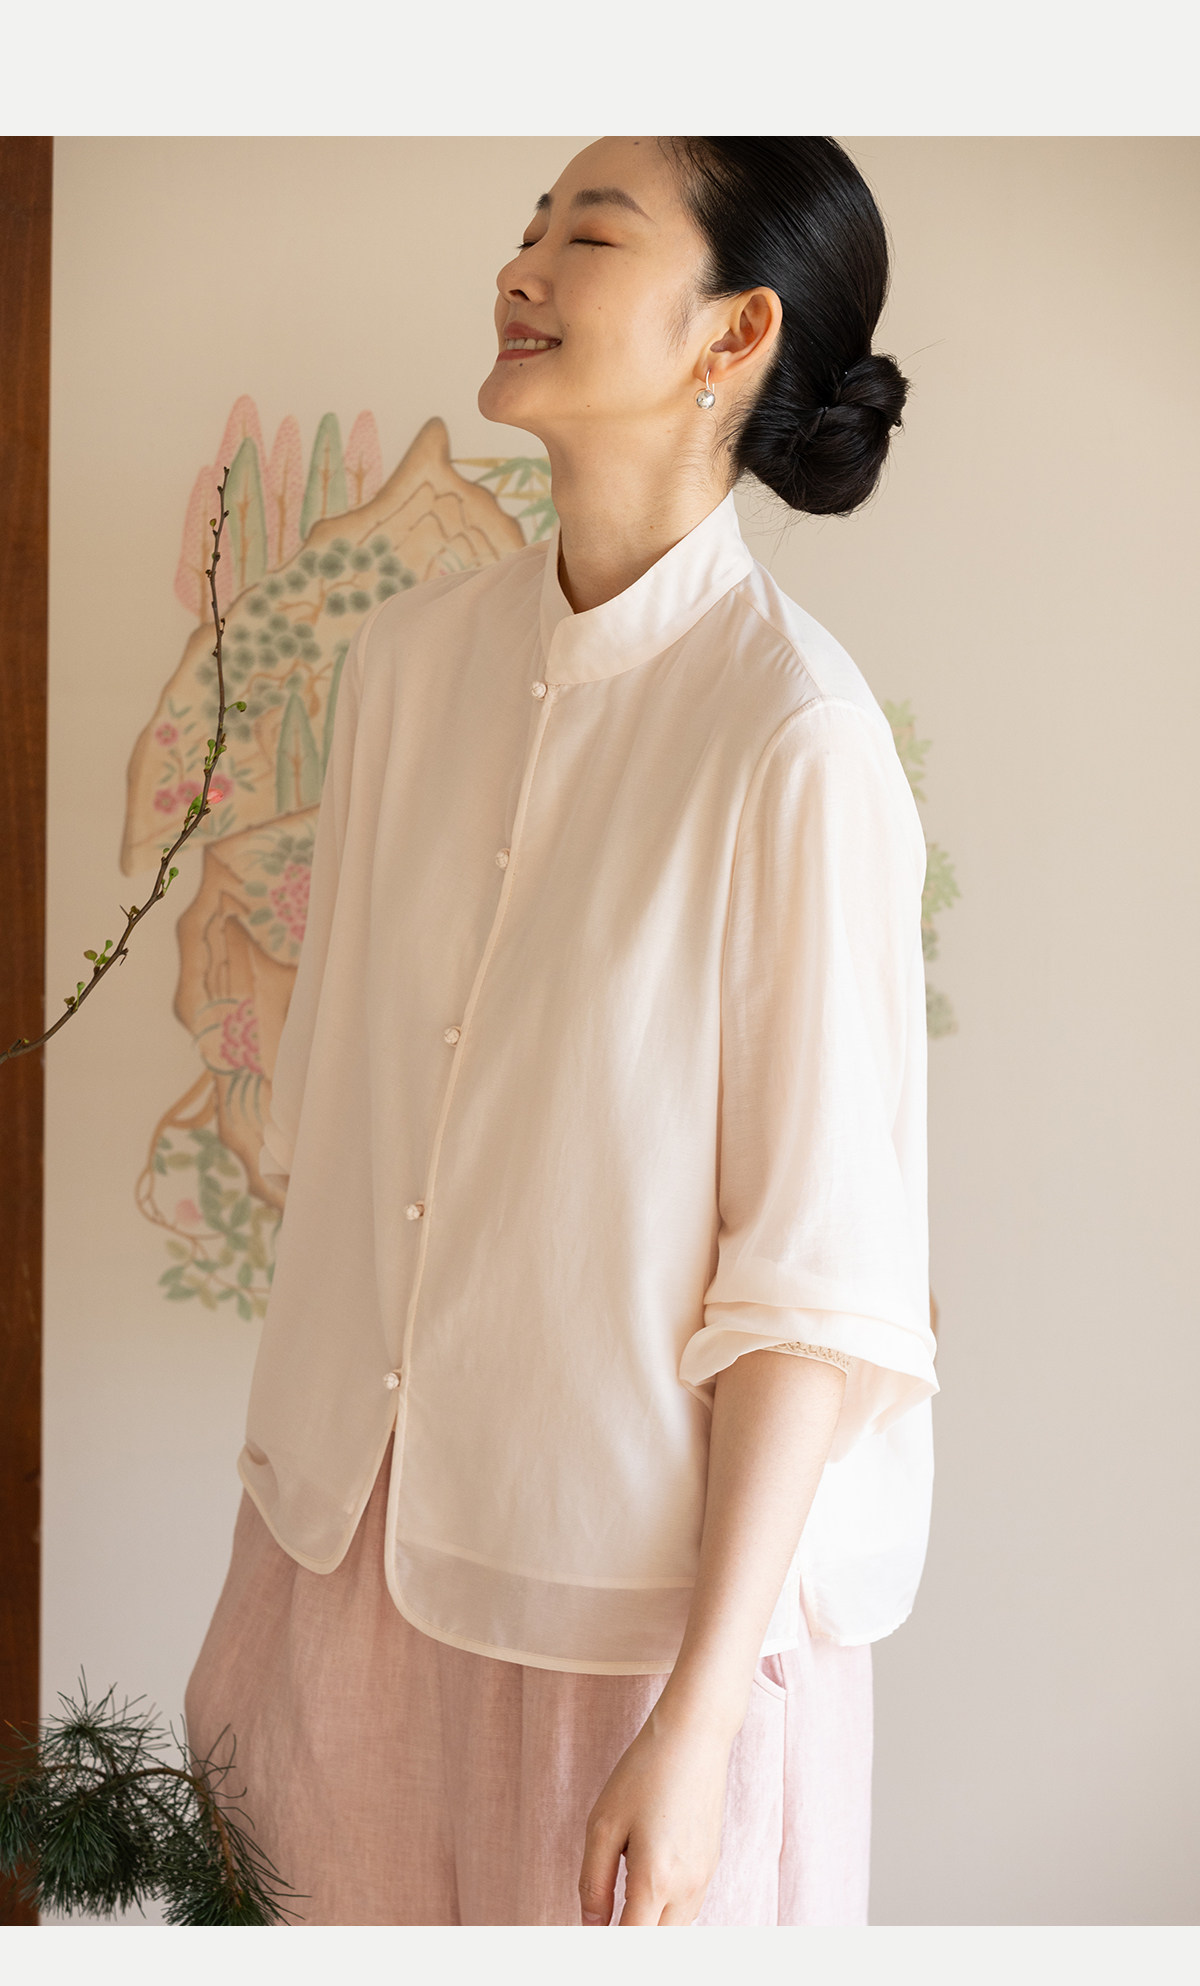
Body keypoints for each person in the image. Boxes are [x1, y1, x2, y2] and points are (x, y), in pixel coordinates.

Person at [184, 134, 939, 1929]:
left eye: (588, 235)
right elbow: (350, 1144)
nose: (519, 269)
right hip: (342, 1565)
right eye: (527, 229)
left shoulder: (795, 740)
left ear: (733, 333)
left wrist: (698, 1721)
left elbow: (815, 1298)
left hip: (643, 1633)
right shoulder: (402, 673)